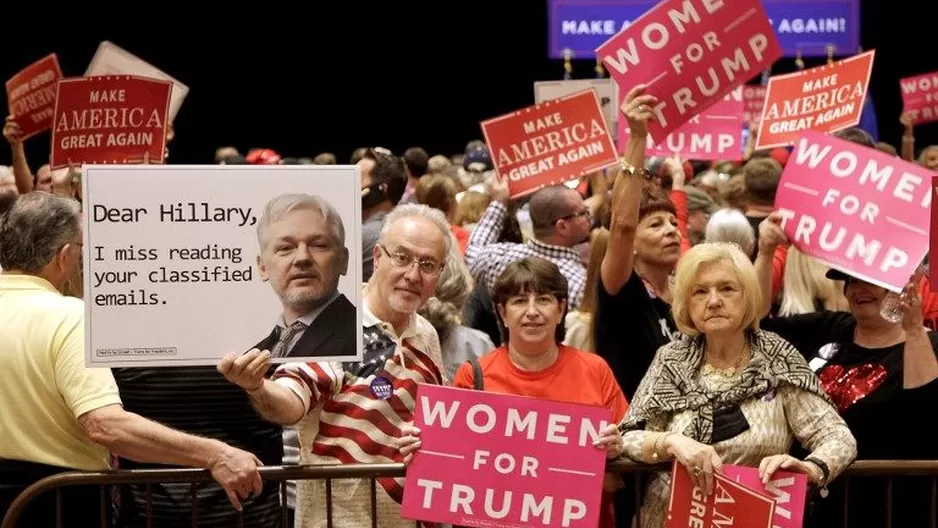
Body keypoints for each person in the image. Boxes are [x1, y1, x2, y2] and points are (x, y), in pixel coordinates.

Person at [0, 193, 263, 527]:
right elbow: (105, 425)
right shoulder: (71, 318)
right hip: (54, 505)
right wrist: (216, 454)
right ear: (65, 256)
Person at [219, 203, 449, 527]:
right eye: (402, 257)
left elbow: (435, 424)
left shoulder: (426, 334)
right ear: (379, 258)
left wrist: (427, 439)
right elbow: (291, 401)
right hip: (337, 519)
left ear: (440, 273)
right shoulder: (330, 322)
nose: (413, 275)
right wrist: (258, 387)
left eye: (428, 264)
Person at [618, 242, 857, 528]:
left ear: (748, 297)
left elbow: (838, 437)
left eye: (727, 289)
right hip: (669, 518)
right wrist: (670, 442)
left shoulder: (776, 357)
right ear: (686, 303)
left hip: (753, 518)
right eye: (700, 291)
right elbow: (627, 438)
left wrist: (811, 468)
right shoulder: (671, 359)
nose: (714, 300)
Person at [399, 256, 629, 527]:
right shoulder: (473, 376)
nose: (532, 311)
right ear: (503, 313)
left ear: (561, 308)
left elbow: (619, 475)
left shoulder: (595, 370)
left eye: (543, 299)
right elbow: (452, 470)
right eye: (519, 301)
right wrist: (424, 450)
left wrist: (617, 449)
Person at [755, 212, 938, 527]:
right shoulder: (828, 327)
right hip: (812, 505)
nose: (857, 290)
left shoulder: (927, 346)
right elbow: (754, 323)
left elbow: (923, 416)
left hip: (890, 507)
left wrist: (913, 329)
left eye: (871, 281)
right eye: (851, 280)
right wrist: (766, 252)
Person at [251, 193, 356, 359]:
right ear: (262, 266)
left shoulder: (366, 339)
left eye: (319, 245)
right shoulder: (251, 356)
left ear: (343, 261)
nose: (302, 258)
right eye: (285, 248)